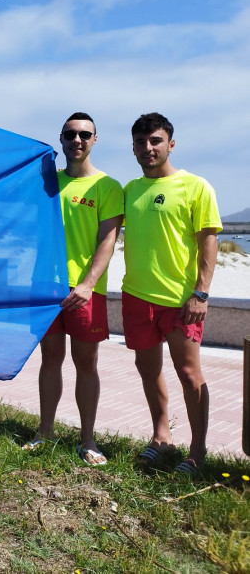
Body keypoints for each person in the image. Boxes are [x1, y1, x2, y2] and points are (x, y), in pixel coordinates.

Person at [123, 112, 220, 477]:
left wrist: (201, 293)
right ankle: (161, 437)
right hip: (136, 296)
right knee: (148, 368)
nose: (147, 148)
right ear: (132, 147)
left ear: (170, 144)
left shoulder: (196, 187)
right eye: (140, 142)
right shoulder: (129, 190)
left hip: (181, 302)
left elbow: (208, 242)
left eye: (155, 141)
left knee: (189, 372)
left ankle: (197, 451)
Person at [23, 113, 123, 466]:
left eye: (84, 134)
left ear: (95, 139)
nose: (77, 140)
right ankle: (44, 432)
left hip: (86, 290)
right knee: (50, 359)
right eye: (70, 134)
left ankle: (88, 440)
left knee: (86, 363)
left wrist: (87, 284)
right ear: (62, 139)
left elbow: (107, 241)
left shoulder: (108, 187)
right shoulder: (48, 183)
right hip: (46, 287)